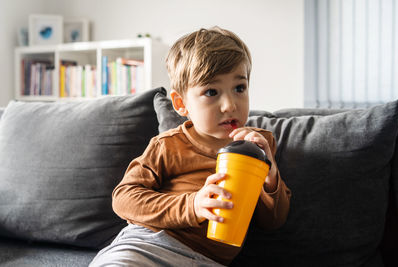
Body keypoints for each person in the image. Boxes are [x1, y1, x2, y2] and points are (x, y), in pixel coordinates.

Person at [89, 26, 291, 267]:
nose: (229, 105)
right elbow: (124, 199)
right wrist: (193, 205)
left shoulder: (258, 145)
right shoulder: (169, 145)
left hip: (208, 260)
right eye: (211, 92)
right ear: (181, 104)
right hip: (149, 245)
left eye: (239, 88)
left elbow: (273, 220)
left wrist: (270, 177)